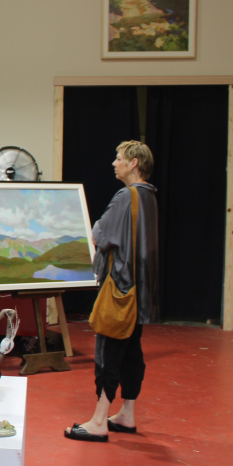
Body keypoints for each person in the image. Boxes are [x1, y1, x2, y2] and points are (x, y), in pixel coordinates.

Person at [65, 140, 159, 443]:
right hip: (140, 290)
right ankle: (127, 415)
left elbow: (101, 235)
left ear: (133, 163)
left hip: (120, 287)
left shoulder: (126, 196)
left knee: (108, 351)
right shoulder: (149, 197)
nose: (114, 163)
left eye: (119, 159)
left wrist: (95, 227)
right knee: (132, 351)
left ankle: (98, 421)